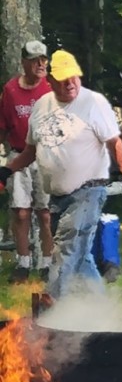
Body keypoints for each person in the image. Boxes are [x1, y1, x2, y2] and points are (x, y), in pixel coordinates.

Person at [0, 50, 122, 299]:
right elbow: (32, 150)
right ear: (51, 81)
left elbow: (115, 143)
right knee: (81, 256)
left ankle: (51, 308)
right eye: (63, 79)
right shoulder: (42, 106)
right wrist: (7, 169)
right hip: (57, 196)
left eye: (74, 77)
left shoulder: (93, 103)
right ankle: (100, 311)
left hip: (89, 189)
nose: (70, 83)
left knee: (65, 249)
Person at [0, 41, 54, 283]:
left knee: (45, 212)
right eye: (35, 59)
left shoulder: (51, 88)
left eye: (44, 58)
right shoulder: (10, 91)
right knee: (21, 212)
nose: (41, 64)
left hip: (46, 156)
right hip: (19, 154)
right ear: (24, 62)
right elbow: (3, 126)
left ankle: (47, 262)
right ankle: (23, 262)